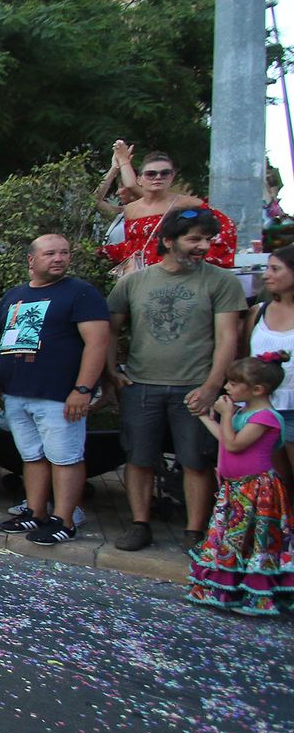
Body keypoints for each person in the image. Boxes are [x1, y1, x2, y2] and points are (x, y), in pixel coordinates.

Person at [108, 209, 245, 553]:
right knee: (138, 458)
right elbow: (109, 329)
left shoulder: (221, 281)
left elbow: (228, 338)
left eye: (207, 239)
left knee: (196, 461)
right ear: (168, 241)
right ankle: (140, 525)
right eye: (194, 239)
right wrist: (112, 372)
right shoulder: (134, 282)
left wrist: (213, 386)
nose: (203, 246)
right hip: (141, 385)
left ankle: (194, 532)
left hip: (195, 387)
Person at [0, 234, 111, 545]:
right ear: (32, 260)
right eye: (50, 253)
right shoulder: (14, 295)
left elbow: (97, 343)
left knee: (65, 457)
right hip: (17, 393)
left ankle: (65, 520)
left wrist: (83, 389)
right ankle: (36, 512)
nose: (58, 258)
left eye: (64, 253)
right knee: (31, 456)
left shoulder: (81, 294)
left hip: (59, 394)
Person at [186, 353, 294, 615]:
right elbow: (225, 439)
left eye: (234, 383)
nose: (227, 387)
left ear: (258, 389)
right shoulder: (245, 412)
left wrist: (224, 415)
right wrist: (204, 417)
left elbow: (234, 444)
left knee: (253, 541)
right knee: (233, 541)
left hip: (256, 490)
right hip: (236, 488)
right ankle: (229, 590)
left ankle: (255, 595)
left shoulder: (265, 417)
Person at [98, 143, 236, 273]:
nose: (158, 177)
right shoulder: (130, 209)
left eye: (165, 173)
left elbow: (226, 229)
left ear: (172, 177)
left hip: (177, 276)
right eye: (151, 174)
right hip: (140, 278)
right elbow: (131, 246)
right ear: (140, 179)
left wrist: (196, 260)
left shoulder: (188, 205)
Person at [243, 244, 294, 480]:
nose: (266, 275)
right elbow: (245, 358)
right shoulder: (258, 312)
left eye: (275, 269)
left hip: (292, 405)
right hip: (263, 408)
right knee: (274, 479)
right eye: (267, 268)